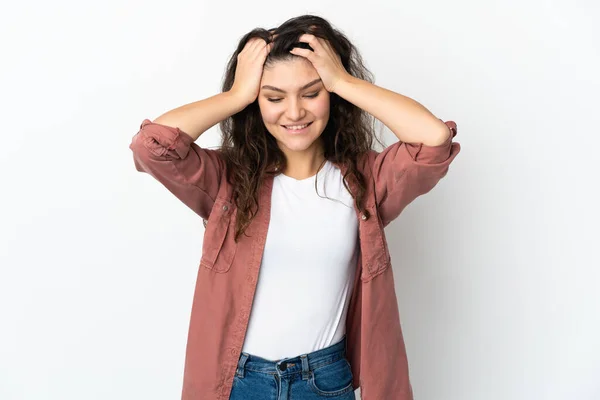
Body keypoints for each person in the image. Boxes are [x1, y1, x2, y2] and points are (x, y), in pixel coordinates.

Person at [129, 14, 460, 400]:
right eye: (274, 97)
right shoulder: (228, 182)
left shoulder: (366, 181)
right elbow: (150, 147)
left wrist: (343, 80)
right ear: (257, 101)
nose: (295, 112)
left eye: (312, 92)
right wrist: (234, 96)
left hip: (323, 380)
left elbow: (434, 141)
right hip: (236, 382)